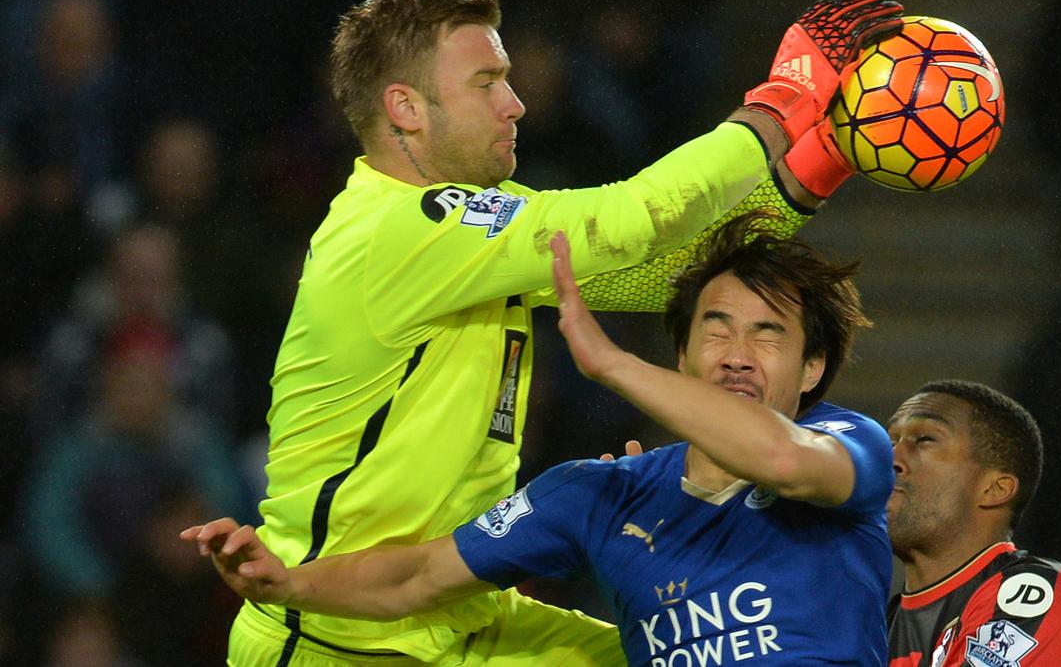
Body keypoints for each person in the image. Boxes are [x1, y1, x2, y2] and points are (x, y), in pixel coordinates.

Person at [229, 0, 903, 665]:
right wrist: (784, 101)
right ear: (405, 107)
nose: (514, 104)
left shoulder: (470, 231)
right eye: (486, 83)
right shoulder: (402, 230)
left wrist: (814, 166)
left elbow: (662, 280)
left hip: (460, 610)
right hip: (341, 630)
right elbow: (635, 217)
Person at [184, 213, 896, 666]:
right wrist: (285, 582)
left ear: (812, 368)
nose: (736, 353)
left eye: (767, 332)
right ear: (680, 355)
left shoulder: (849, 448)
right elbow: (419, 576)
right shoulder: (600, 495)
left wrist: (611, 363)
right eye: (716, 326)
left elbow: (780, 458)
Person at [885, 379, 1061, 666]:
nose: (890, 456)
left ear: (995, 489)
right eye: (890, 441)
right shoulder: (879, 628)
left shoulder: (1034, 598)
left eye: (924, 440)